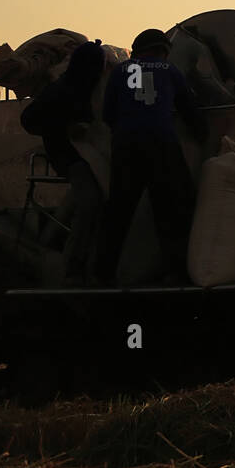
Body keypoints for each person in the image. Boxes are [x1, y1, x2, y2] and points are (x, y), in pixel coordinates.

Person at [93, 29, 206, 287]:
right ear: (164, 51)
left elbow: (108, 113)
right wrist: (202, 135)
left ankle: (103, 273)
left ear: (136, 50)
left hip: (126, 145)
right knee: (172, 206)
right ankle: (175, 271)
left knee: (119, 209)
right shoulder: (169, 70)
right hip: (161, 142)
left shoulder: (120, 72)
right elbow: (189, 109)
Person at [19, 40, 107, 285]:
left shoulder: (89, 88)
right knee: (90, 204)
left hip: (90, 158)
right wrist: (65, 127)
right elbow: (28, 120)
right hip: (70, 158)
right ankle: (72, 270)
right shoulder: (62, 89)